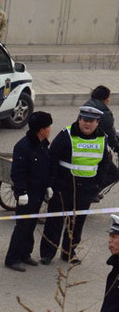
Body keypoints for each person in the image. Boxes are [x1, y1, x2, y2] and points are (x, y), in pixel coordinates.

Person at [40, 105, 112, 265]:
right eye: (85, 120)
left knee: (76, 224)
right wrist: (52, 184)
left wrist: (97, 186)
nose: (87, 124)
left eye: (91, 121)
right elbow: (51, 159)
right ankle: (47, 254)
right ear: (79, 119)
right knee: (54, 222)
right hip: (63, 187)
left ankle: (68, 253)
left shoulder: (102, 138)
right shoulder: (66, 135)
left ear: (97, 122)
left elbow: (104, 164)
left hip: (86, 190)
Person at [3, 111, 53, 272]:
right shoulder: (23, 146)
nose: (50, 129)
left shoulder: (44, 144)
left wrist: (47, 186)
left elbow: (45, 169)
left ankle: (25, 253)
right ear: (41, 129)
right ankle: (12, 258)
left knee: (31, 225)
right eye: (48, 126)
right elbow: (17, 172)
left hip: (38, 192)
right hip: (27, 194)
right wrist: (21, 192)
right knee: (22, 226)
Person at [85, 86, 119, 153]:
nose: (109, 100)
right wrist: (116, 147)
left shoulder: (87, 106)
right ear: (105, 99)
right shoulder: (104, 113)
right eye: (108, 97)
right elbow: (110, 134)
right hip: (97, 143)